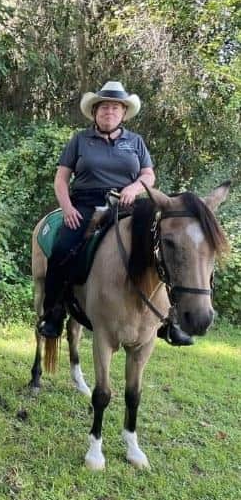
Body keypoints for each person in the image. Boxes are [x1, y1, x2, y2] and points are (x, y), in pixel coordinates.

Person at [37, 81, 192, 346]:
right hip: (86, 203)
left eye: (115, 107)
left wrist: (134, 188)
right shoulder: (79, 140)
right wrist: (67, 207)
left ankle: (170, 319)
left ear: (123, 113)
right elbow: (61, 179)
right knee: (62, 249)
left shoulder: (136, 142)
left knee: (165, 248)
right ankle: (53, 314)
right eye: (104, 107)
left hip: (128, 204)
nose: (109, 111)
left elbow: (148, 174)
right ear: (95, 112)